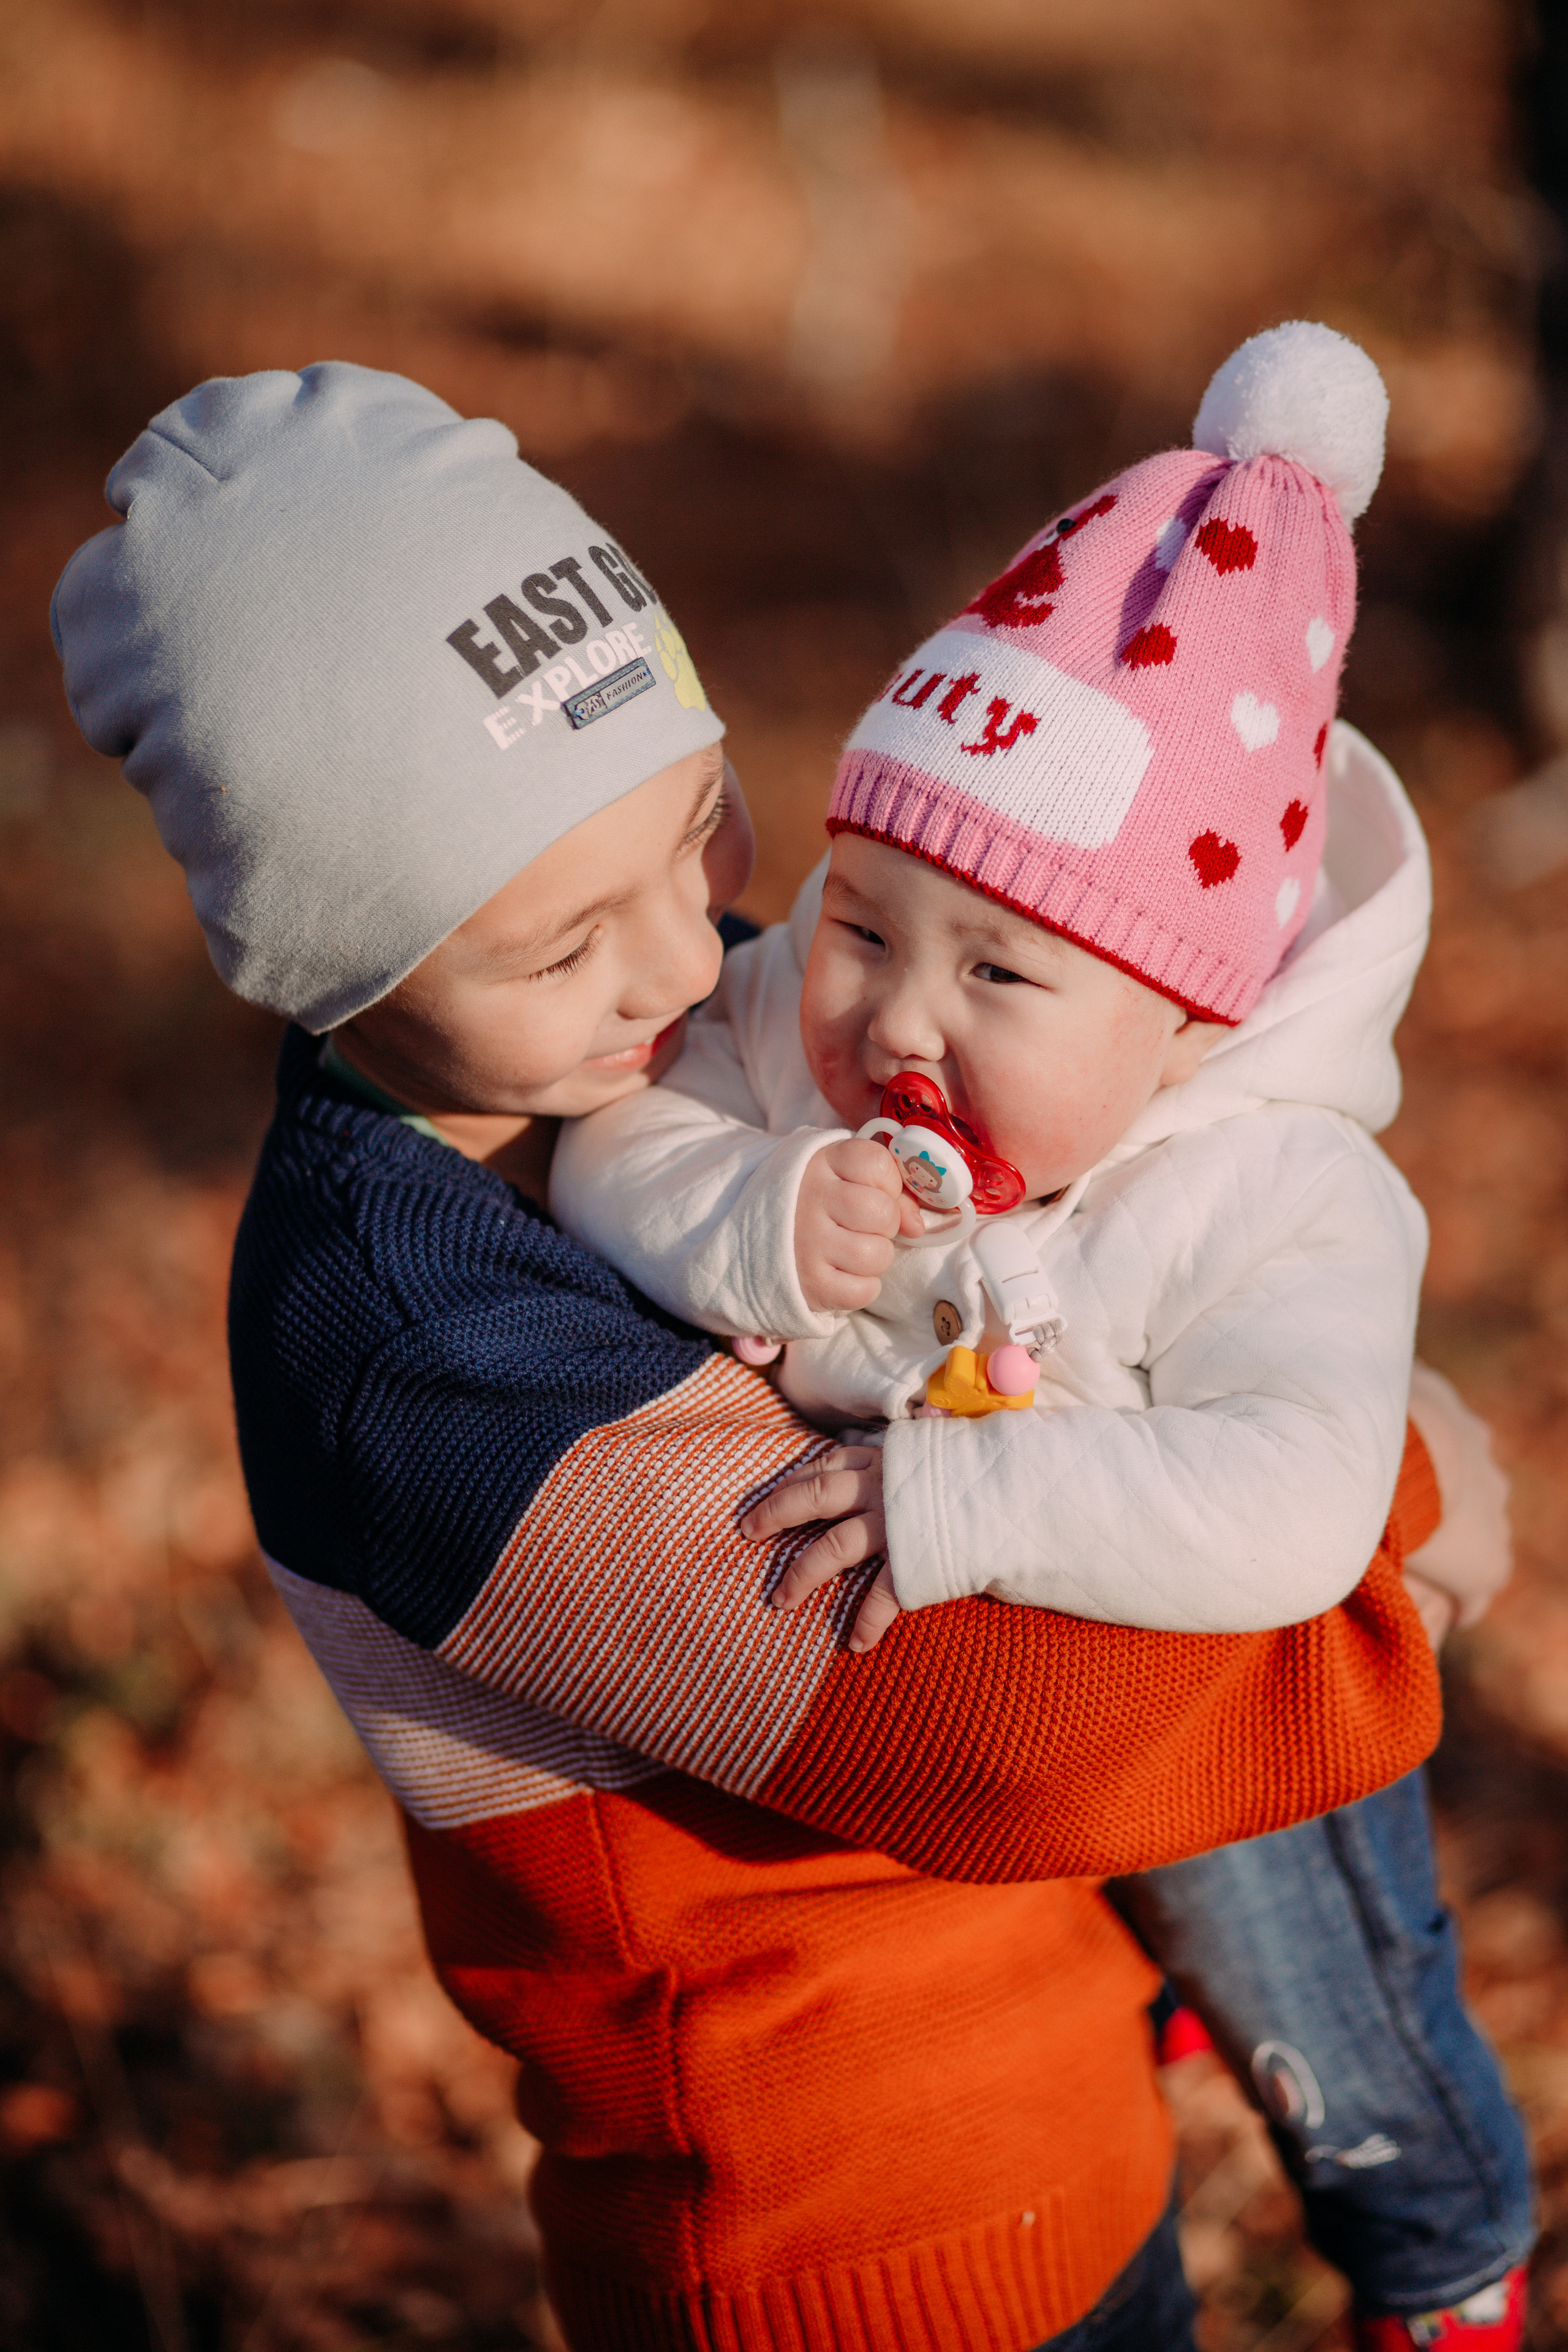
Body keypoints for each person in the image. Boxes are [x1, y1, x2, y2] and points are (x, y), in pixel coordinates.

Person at [53, 357, 1449, 2352]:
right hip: (832, 2233)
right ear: (327, 961)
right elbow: (1036, 1735)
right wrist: (1384, 1504)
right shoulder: (419, 1352)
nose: (691, 962)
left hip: (1045, 2122)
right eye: (561, 944)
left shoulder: (636, 1064)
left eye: (703, 833)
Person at [551, 324, 1534, 2346]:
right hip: (1001, 1735)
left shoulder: (1280, 1192)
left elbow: (1297, 1502)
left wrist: (970, 1498)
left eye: (1001, 972)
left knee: (1328, 2015)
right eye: (861, 919)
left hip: (1226, 1695)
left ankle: (1451, 2254)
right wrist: (751, 1214)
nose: (898, 1013)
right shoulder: (792, 1039)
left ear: (1187, 1020)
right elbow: (611, 1147)